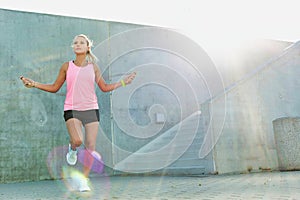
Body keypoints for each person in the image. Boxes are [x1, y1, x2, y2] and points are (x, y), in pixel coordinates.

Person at [20, 34, 136, 192]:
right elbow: (55, 87)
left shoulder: (93, 67)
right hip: (71, 109)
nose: (78, 44)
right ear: (73, 47)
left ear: (88, 47)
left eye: (82, 42)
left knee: (90, 146)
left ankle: (83, 180)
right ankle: (72, 149)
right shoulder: (66, 66)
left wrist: (123, 82)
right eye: (75, 42)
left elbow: (104, 87)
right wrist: (34, 84)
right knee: (77, 140)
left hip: (91, 109)